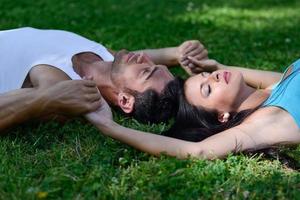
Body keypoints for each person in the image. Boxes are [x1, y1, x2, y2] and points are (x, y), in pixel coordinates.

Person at [85, 53, 300, 159]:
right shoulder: (265, 121)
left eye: (206, 76)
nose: (214, 77)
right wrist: (110, 128)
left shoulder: (273, 90)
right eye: (207, 89)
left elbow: (285, 77)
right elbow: (197, 150)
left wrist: (220, 66)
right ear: (222, 117)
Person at [0, 27, 207, 131]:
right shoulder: (108, 58)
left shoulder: (63, 87)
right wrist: (177, 53)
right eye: (153, 65)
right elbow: (145, 59)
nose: (144, 59)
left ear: (125, 99)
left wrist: (46, 98)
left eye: (146, 72)